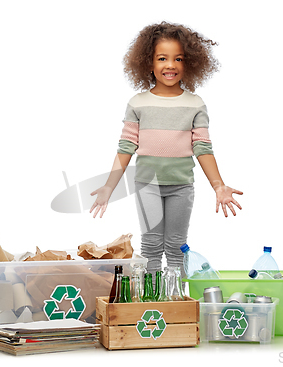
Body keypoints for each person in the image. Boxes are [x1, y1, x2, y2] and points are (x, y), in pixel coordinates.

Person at [90, 21, 242, 276]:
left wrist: (218, 185)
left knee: (176, 246)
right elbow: (126, 147)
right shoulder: (138, 103)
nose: (170, 65)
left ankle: (174, 301)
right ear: (149, 62)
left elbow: (203, 147)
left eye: (178, 59)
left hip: (181, 186)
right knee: (150, 245)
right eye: (162, 58)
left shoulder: (195, 104)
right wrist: (109, 186)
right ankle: (150, 300)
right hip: (147, 185)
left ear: (189, 63)